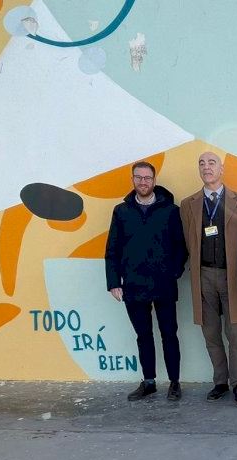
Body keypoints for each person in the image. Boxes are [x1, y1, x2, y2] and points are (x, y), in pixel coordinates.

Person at [104, 161, 187, 401]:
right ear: (133, 180)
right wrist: (114, 282)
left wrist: (174, 272)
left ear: (154, 180)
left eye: (147, 178)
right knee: (143, 336)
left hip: (164, 285)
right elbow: (112, 250)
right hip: (133, 286)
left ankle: (174, 382)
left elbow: (181, 247)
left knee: (169, 334)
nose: (143, 182)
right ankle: (149, 382)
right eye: (138, 177)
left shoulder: (171, 211)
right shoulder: (121, 212)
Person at [180, 152, 237, 405]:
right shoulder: (188, 204)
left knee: (235, 332)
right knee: (210, 332)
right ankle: (220, 382)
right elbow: (186, 241)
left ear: (221, 169)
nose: (206, 167)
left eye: (212, 163)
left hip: (232, 276)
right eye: (201, 163)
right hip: (203, 275)